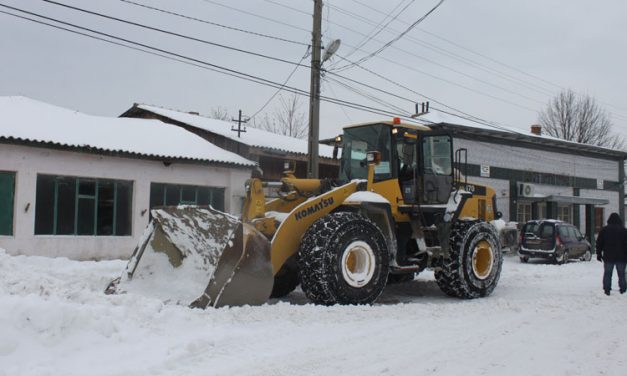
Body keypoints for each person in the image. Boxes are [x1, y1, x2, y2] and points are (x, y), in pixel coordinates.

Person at [595, 212, 627, 295]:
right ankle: (623, 289)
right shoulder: (624, 230)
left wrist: (599, 254)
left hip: (608, 256)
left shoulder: (604, 230)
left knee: (608, 273)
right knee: (621, 274)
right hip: (621, 257)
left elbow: (599, 243)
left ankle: (607, 289)